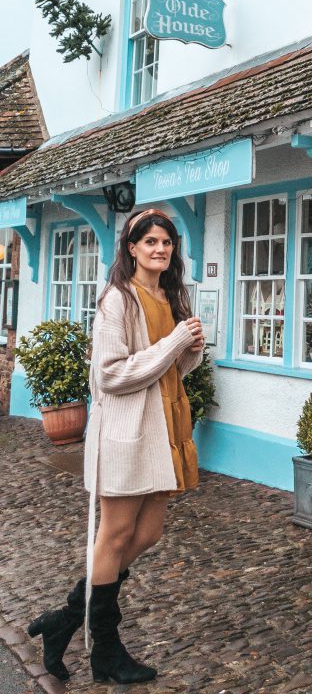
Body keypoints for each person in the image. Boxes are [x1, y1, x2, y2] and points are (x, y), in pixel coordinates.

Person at [28, 208, 205, 684]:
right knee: (115, 533)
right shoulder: (117, 300)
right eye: (149, 242)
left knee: (148, 533)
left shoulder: (170, 295)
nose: (160, 249)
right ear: (131, 248)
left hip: (164, 427)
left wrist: (189, 353)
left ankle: (65, 618)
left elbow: (167, 370)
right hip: (127, 432)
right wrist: (172, 344)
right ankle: (104, 649)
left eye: (166, 242)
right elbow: (110, 375)